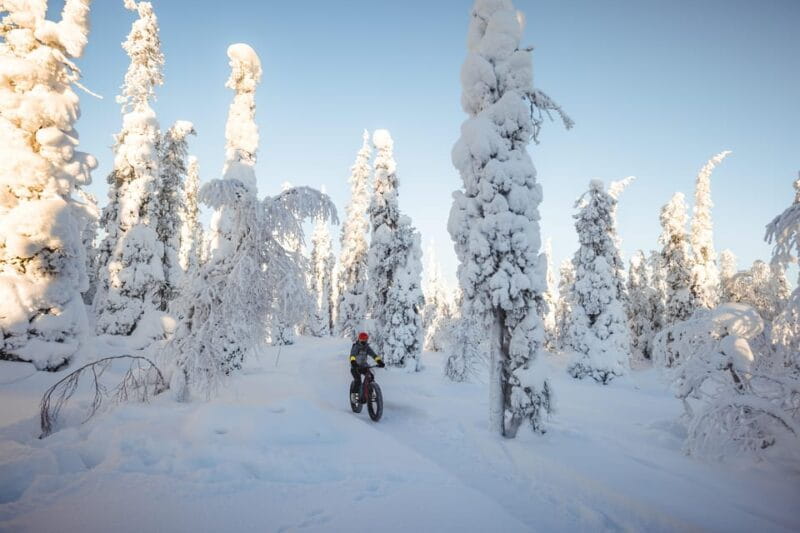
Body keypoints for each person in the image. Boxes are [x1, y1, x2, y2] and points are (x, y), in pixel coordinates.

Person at [350, 332, 384, 402]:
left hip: (364, 366)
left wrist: (379, 361)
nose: (363, 341)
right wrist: (353, 362)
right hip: (355, 367)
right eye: (362, 340)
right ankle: (354, 397)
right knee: (358, 381)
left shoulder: (367, 347)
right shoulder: (356, 347)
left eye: (365, 340)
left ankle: (369, 393)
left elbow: (374, 355)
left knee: (370, 376)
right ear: (359, 339)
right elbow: (352, 355)